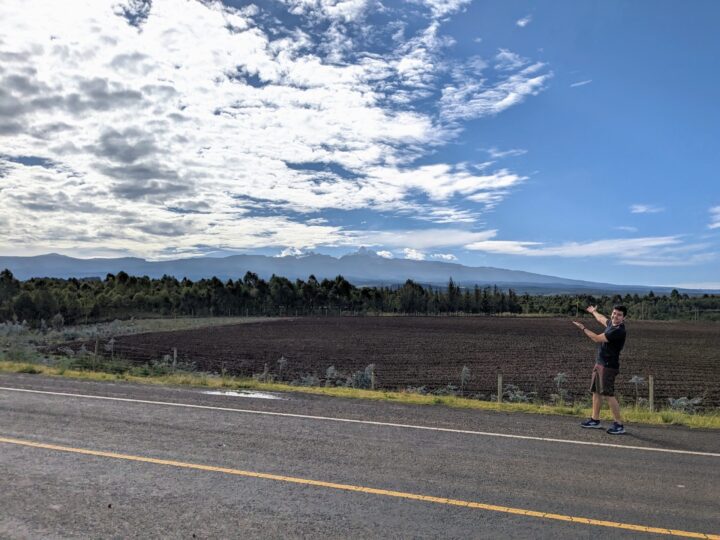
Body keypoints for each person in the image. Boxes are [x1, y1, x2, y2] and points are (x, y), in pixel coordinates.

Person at [572, 305, 627, 435]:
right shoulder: (611, 324)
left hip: (608, 366)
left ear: (624, 317)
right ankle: (594, 420)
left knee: (608, 394)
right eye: (614, 313)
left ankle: (619, 424)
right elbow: (602, 319)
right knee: (596, 392)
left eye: (619, 314)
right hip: (600, 363)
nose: (615, 316)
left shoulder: (618, 331)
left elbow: (596, 338)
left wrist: (583, 328)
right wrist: (594, 312)